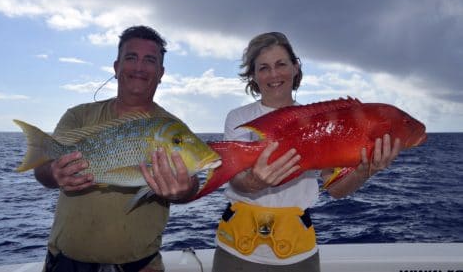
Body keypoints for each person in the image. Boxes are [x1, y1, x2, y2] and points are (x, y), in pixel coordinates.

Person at [211, 32, 402, 272]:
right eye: (264, 68)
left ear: (295, 67)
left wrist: (365, 170)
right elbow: (237, 182)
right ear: (254, 75)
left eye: (281, 64)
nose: (274, 74)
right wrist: (253, 181)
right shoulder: (239, 118)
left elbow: (335, 189)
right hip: (235, 251)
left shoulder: (319, 122)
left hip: (297, 253)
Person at [34, 25, 199, 272]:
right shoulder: (78, 116)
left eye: (149, 60)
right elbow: (42, 171)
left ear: (161, 72)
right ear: (116, 66)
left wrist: (184, 190)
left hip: (140, 265)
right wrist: (53, 172)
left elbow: (191, 182)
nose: (139, 67)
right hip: (66, 262)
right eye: (131, 58)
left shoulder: (171, 128)